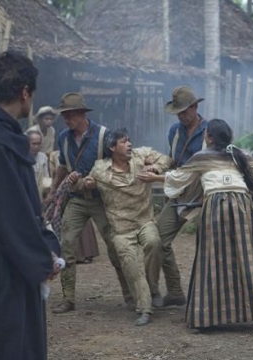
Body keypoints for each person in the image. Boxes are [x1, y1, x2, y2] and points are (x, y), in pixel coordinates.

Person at [139, 119, 253, 329]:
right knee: (250, 256)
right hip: (244, 206)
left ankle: (208, 316)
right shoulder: (238, 154)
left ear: (209, 137)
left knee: (214, 260)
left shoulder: (203, 157)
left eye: (206, 135)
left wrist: (153, 179)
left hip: (217, 207)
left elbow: (179, 177)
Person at [0, 51, 61, 360]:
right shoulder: (0, 144)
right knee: (13, 348)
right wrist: (43, 257)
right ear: (24, 92)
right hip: (4, 271)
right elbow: (11, 216)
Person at [46, 92, 130, 313]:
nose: (66, 119)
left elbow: (119, 164)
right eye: (64, 115)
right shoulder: (63, 137)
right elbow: (62, 167)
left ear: (82, 114)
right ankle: (69, 299)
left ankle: (130, 295)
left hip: (102, 199)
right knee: (66, 244)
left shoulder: (104, 135)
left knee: (115, 246)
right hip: (76, 199)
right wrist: (54, 191)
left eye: (70, 115)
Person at [81, 129, 173, 326]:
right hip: (121, 228)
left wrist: (155, 169)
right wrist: (85, 183)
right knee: (131, 264)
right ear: (112, 147)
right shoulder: (100, 169)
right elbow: (86, 183)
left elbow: (166, 159)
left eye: (129, 140)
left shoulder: (141, 156)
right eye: (124, 142)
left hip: (144, 220)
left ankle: (153, 289)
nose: (129, 144)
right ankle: (145, 308)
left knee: (154, 243)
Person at [150, 86, 208, 308]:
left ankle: (205, 297)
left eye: (185, 111)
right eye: (178, 112)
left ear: (195, 107)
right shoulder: (175, 131)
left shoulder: (209, 131)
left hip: (203, 196)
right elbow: (172, 159)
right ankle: (175, 291)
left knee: (207, 247)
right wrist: (157, 168)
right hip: (178, 194)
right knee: (158, 239)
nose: (182, 116)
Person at [48, 149, 100, 264]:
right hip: (65, 187)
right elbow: (56, 173)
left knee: (80, 218)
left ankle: (84, 253)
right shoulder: (55, 155)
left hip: (77, 186)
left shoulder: (84, 153)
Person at [27, 130, 50, 199]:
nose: (36, 146)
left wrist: (47, 193)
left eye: (38, 144)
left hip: (40, 193)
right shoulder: (23, 158)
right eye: (34, 144)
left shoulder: (43, 157)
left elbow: (46, 177)